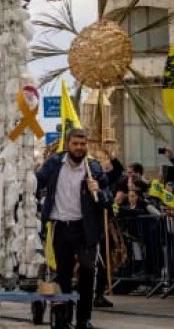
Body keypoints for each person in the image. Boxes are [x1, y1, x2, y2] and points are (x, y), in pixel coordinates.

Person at [35, 128, 113, 329]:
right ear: (68, 144)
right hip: (61, 228)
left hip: (85, 229)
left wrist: (98, 191)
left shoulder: (94, 168)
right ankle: (63, 318)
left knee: (87, 274)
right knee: (63, 275)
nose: (79, 148)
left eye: (83, 144)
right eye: (75, 144)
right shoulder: (53, 164)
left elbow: (108, 200)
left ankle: (83, 319)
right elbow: (34, 184)